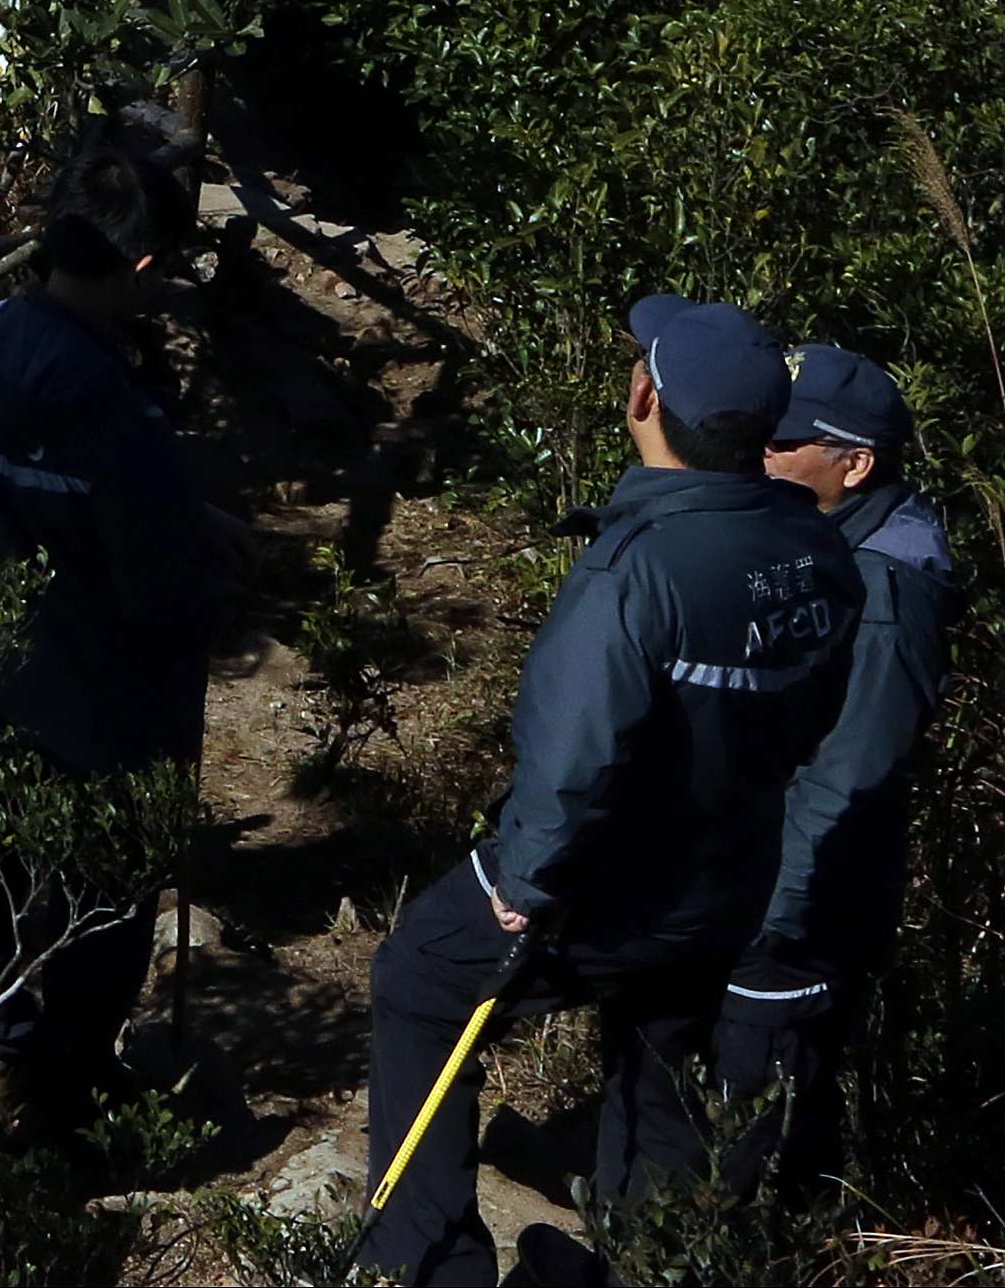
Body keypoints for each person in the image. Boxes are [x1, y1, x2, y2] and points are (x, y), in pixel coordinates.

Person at [357, 296, 855, 1288]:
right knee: (663, 1046)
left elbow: (572, 759)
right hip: (725, 891)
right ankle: (643, 1265)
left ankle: (430, 1261)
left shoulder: (632, 571)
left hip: (605, 896)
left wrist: (524, 884)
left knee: (415, 979)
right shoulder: (819, 557)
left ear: (642, 398)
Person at [0, 118, 229, 1124]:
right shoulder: (115, 411)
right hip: (103, 686)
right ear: (140, 264)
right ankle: (64, 1083)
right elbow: (155, 584)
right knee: (102, 893)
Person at [721, 341, 953, 1193]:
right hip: (767, 886)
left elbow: (851, 772)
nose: (763, 452)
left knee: (748, 1142)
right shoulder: (821, 539)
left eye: (784, 441)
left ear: (855, 463)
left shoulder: (887, 587)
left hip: (799, 909)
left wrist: (770, 921)